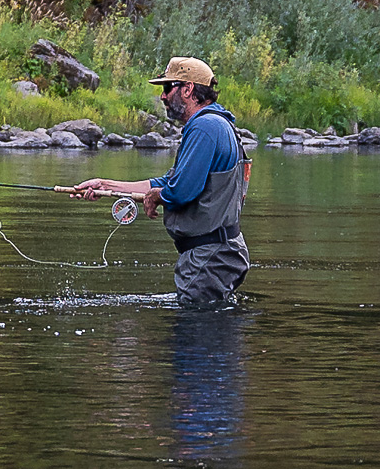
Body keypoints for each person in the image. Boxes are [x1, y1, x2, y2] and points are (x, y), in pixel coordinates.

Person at [73, 56, 251, 305]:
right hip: (220, 253)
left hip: (209, 256)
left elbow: (179, 191)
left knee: (196, 336)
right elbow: (169, 181)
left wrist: (157, 197)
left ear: (188, 89)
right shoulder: (216, 124)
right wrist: (105, 186)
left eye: (168, 88)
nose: (163, 96)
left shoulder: (204, 127)